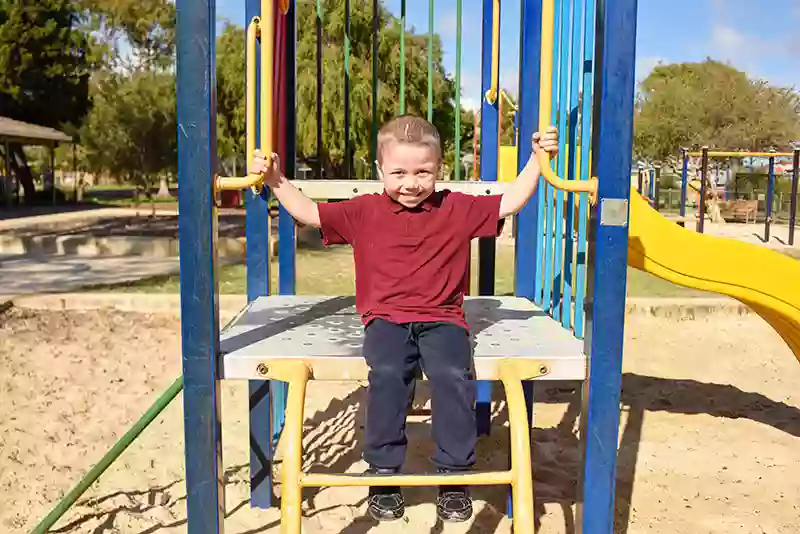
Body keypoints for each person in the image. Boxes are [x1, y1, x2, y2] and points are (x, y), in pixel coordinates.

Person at [252, 115, 558, 523]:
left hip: (443, 318)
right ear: (380, 170)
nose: (410, 183)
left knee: (453, 374)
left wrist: (537, 160)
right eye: (398, 172)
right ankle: (384, 475)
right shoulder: (364, 211)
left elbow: (511, 201)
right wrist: (275, 179)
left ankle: (453, 476)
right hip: (386, 319)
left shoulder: (456, 207)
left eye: (423, 172)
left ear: (439, 170)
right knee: (388, 373)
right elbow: (309, 213)